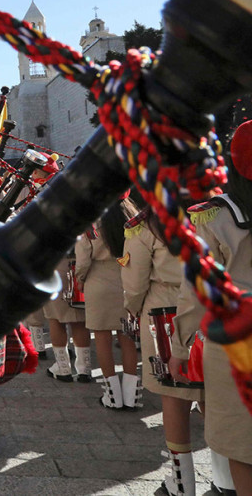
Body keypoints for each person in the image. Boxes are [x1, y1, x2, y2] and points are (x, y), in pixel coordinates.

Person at [176, 120, 252, 496]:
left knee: (242, 442)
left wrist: (179, 342)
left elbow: (196, 289)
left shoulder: (213, 215)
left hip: (237, 335)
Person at [120, 196, 204, 496]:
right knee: (212, 392)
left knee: (174, 396)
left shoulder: (145, 226)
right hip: (213, 307)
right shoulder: (212, 214)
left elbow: (134, 284)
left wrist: (131, 309)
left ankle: (183, 482)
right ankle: (226, 476)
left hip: (164, 311)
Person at [76, 204, 140, 410]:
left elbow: (83, 258)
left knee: (102, 340)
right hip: (126, 278)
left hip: (98, 280)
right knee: (128, 339)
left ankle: (112, 395)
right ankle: (132, 396)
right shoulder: (134, 217)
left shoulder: (92, 219)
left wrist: (80, 279)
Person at [42, 247, 92, 382]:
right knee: (80, 320)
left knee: (56, 318)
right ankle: (84, 369)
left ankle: (63, 367)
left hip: (56, 264)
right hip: (80, 262)